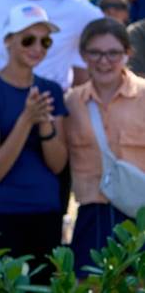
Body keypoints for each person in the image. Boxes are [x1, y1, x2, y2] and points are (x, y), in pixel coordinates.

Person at [0, 4, 68, 285]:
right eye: (28, 39)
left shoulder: (52, 91)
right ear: (8, 41)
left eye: (45, 41)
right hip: (0, 213)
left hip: (45, 213)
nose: (37, 47)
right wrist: (26, 120)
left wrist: (44, 123)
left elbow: (58, 164)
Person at [64, 18, 145, 276]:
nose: (104, 61)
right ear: (83, 55)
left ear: (127, 53)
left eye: (113, 53)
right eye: (95, 53)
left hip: (139, 216)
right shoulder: (71, 101)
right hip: (92, 216)